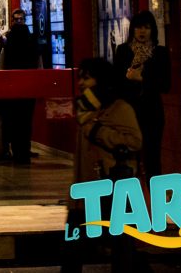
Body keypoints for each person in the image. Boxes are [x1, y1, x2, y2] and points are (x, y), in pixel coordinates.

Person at [61, 57, 143, 273]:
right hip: (82, 192)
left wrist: (98, 132)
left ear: (101, 80)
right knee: (72, 247)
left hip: (110, 188)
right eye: (80, 78)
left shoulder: (119, 107)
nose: (81, 83)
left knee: (122, 247)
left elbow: (135, 141)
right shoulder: (84, 108)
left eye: (86, 78)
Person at [113, 10, 171, 179]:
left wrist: (141, 78)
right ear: (133, 30)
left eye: (147, 27)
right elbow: (116, 84)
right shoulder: (123, 51)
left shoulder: (160, 53)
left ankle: (154, 200)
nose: (142, 31)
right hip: (128, 113)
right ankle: (130, 200)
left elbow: (165, 85)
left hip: (152, 112)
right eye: (138, 27)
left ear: (153, 30)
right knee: (129, 158)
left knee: (153, 158)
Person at [0, 10, 43, 164]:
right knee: (26, 120)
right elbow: (39, 67)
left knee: (12, 120)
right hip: (29, 88)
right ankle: (25, 150)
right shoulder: (33, 44)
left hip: (12, 88)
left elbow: (1, 68)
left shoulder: (8, 45)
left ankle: (16, 151)